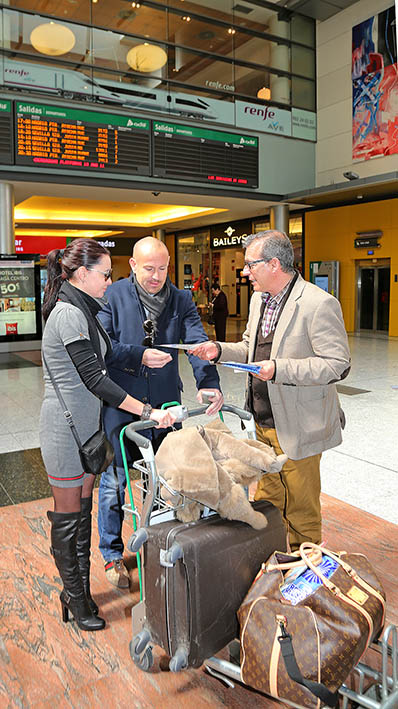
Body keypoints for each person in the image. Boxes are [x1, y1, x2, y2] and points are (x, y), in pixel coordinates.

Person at [40, 239, 176, 631]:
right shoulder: (67, 314)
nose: (108, 281)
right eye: (104, 274)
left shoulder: (84, 310)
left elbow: (108, 352)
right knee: (67, 519)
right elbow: (95, 378)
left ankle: (78, 592)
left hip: (86, 430)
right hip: (66, 434)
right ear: (82, 274)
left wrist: (140, 355)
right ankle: (76, 599)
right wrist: (147, 412)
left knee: (83, 515)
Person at [191, 230, 350, 551]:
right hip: (260, 422)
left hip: (298, 425)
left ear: (274, 264)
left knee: (301, 508)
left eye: (251, 265)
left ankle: (306, 573)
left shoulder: (318, 304)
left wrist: (280, 368)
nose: (245, 272)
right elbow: (251, 346)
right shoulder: (258, 300)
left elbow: (338, 365)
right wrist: (218, 349)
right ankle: (274, 559)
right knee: (269, 498)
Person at [97, 236, 224, 587]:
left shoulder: (181, 299)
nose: (156, 276)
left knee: (164, 479)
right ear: (133, 265)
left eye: (163, 268)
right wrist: (138, 356)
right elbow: (103, 346)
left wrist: (208, 381)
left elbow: (197, 342)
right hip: (124, 406)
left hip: (166, 407)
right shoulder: (112, 296)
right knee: (116, 482)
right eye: (148, 269)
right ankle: (111, 555)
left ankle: (156, 541)